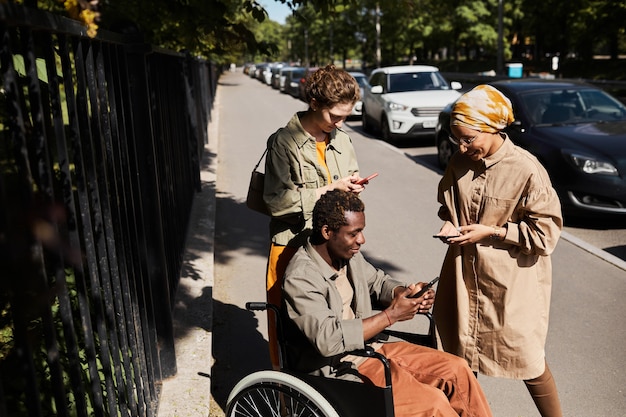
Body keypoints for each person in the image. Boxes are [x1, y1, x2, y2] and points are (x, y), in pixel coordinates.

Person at [283, 189, 494, 417]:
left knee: (458, 371)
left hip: (371, 349)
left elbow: (378, 282)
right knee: (432, 405)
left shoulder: (347, 256)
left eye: (361, 232)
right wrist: (391, 315)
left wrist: (406, 294)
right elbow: (328, 339)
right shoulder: (301, 277)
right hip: (337, 367)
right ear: (327, 232)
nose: (361, 240)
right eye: (354, 234)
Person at [433, 84, 564, 417]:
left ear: (493, 129)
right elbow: (448, 206)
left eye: (468, 139)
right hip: (463, 276)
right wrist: (450, 224)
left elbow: (546, 235)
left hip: (511, 284)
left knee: (527, 359)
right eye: (456, 139)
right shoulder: (460, 162)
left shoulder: (527, 169)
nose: (462, 147)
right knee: (459, 359)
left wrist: (493, 231)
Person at [263, 64, 368, 366]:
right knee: (288, 332)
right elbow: (276, 202)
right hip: (291, 246)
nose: (339, 122)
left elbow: (343, 192)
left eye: (346, 116)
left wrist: (352, 190)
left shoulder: (343, 140)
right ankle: (286, 402)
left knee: (340, 320)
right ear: (314, 103)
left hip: (331, 248)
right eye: (334, 116)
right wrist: (328, 189)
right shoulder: (283, 142)